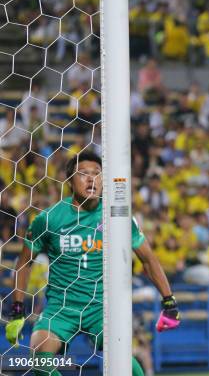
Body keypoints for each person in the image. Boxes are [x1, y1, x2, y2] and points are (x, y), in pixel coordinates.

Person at [4, 152, 180, 376]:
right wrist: (18, 309)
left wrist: (169, 302)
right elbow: (24, 262)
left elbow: (149, 258)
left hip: (101, 308)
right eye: (83, 174)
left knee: (125, 360)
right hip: (62, 307)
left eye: (97, 174)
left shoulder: (117, 217)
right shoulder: (49, 219)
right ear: (69, 181)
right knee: (39, 352)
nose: (92, 180)